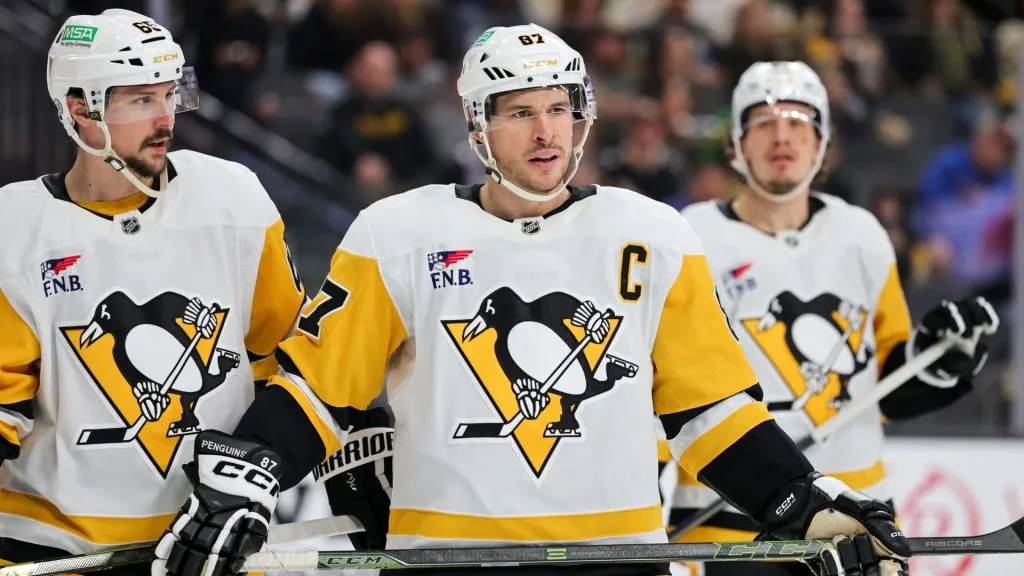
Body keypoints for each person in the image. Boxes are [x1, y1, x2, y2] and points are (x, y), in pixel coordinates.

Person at [154, 26, 911, 576]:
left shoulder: (652, 234)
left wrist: (802, 501)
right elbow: (319, 394)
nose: (546, 131)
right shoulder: (397, 233)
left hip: (616, 561)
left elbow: (711, 415)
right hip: (448, 562)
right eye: (519, 112)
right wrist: (242, 474)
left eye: (559, 108)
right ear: (478, 127)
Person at [0, 9, 305, 570]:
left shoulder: (233, 199)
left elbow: (295, 360)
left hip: (212, 542)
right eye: (142, 100)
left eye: (171, 95)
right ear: (80, 108)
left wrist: (259, 478)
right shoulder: (14, 229)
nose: (166, 117)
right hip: (53, 548)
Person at [669, 61, 1000, 576]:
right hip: (731, 518)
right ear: (736, 142)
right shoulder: (690, 236)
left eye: (799, 121)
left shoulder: (861, 234)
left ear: (822, 140)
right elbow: (671, 383)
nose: (783, 135)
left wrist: (940, 359)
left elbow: (888, 385)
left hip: (857, 517)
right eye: (764, 121)